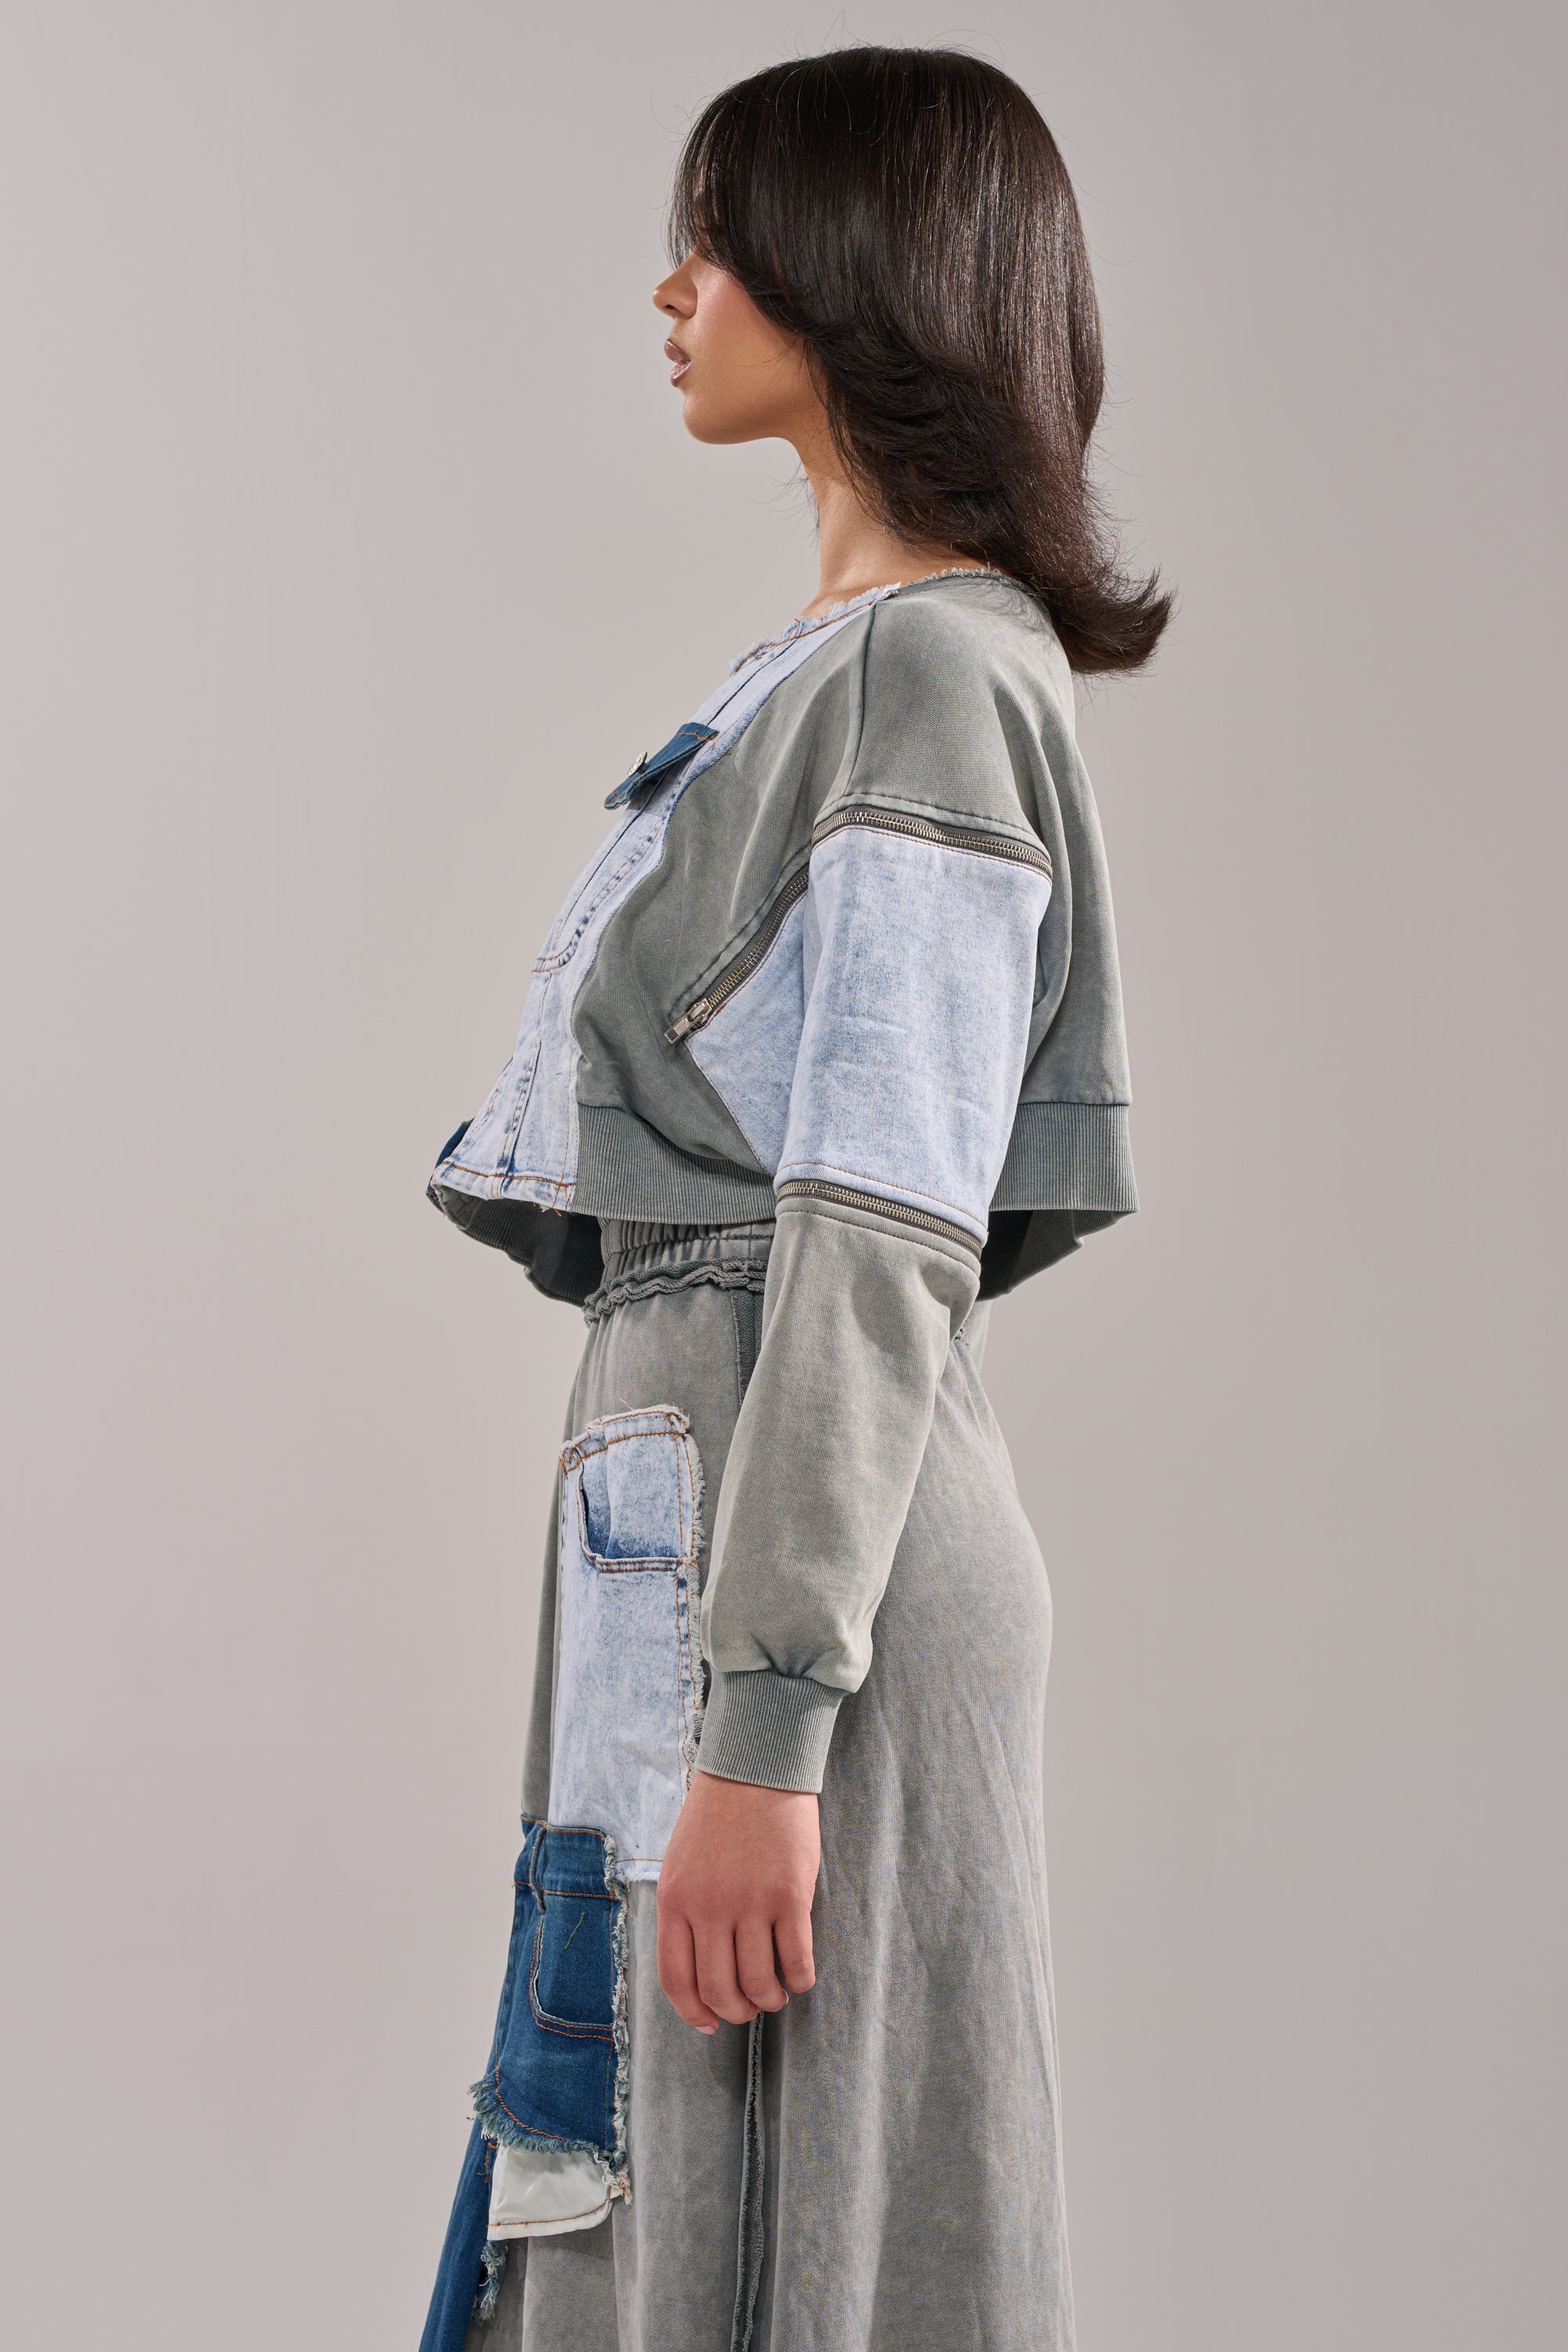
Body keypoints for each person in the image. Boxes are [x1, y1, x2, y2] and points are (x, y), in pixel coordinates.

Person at [418, 45, 1167, 2352]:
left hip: (795, 1557)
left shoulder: (932, 679)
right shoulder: (838, 675)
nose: (674, 291)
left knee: (768, 2256)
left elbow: (882, 1223)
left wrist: (763, 1727)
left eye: (718, 243)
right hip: (711, 1503)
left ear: (856, 277)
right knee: (652, 2214)